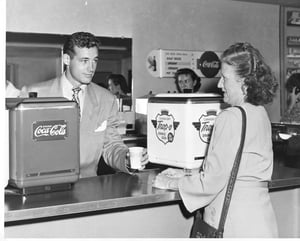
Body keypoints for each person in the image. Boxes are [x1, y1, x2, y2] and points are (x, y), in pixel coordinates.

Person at [154, 42, 278, 237]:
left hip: (233, 223)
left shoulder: (230, 117)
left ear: (244, 82)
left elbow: (211, 182)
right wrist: (186, 173)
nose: (220, 84)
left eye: (225, 78)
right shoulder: (260, 113)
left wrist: (170, 183)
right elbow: (237, 168)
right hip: (259, 220)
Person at [20, 32, 148, 178]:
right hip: (43, 186)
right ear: (67, 59)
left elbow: (111, 145)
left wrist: (126, 159)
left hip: (88, 187)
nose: (91, 68)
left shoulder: (106, 99)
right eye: (84, 61)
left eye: (95, 60)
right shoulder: (34, 94)